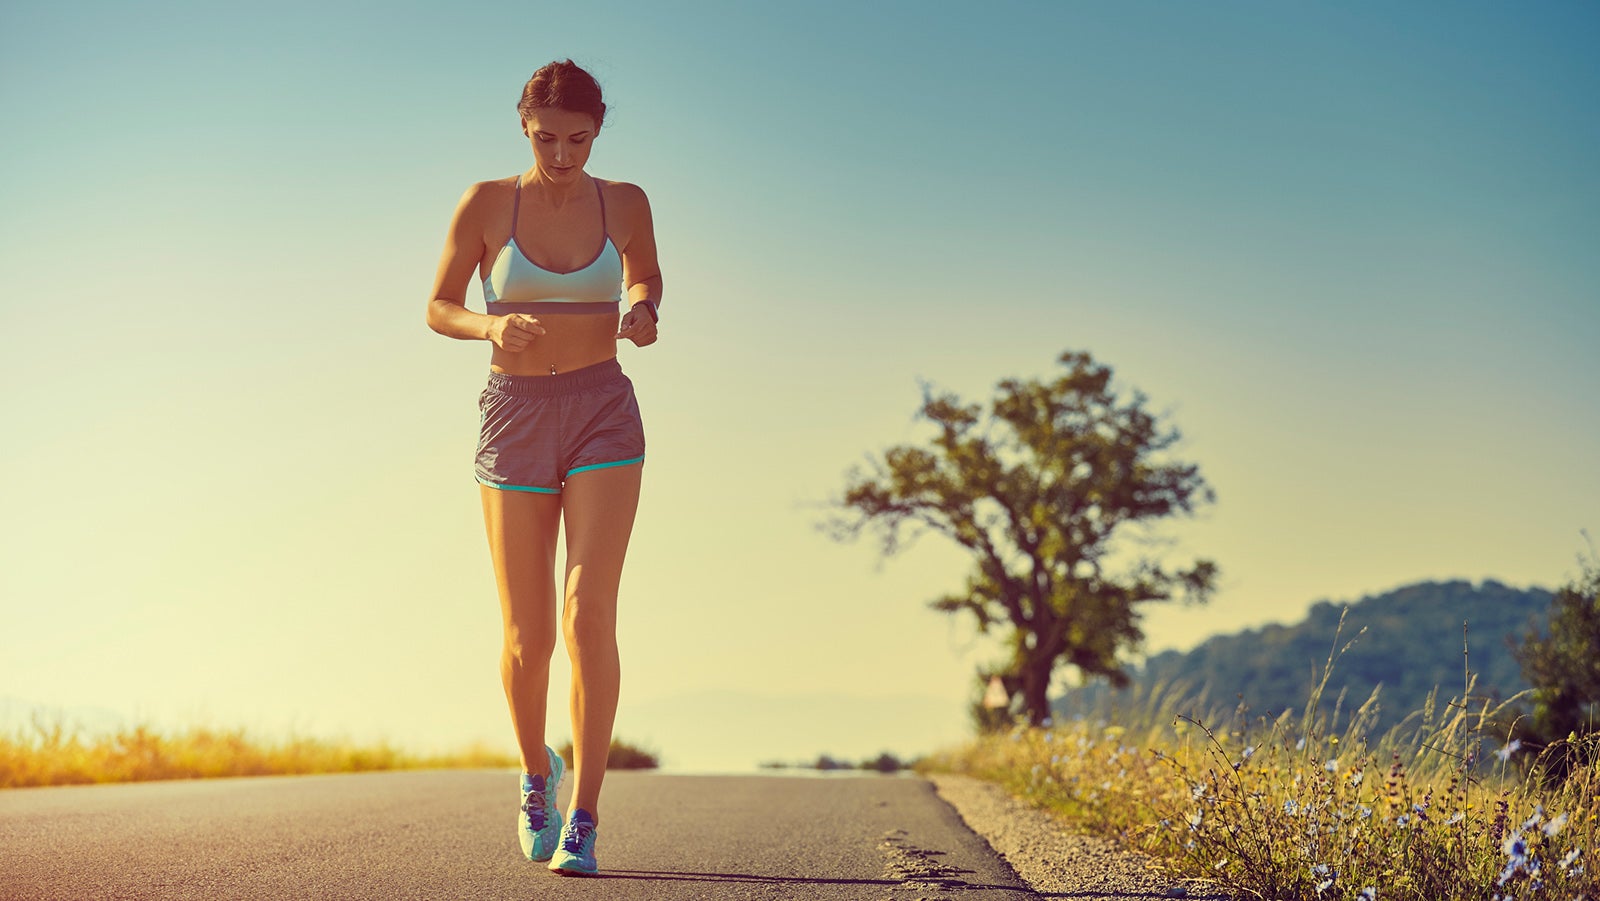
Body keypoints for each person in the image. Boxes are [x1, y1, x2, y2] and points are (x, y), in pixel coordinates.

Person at [425, 59, 660, 877]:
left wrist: (641, 307)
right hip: (515, 417)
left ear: (598, 132)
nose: (563, 154)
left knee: (587, 613)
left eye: (580, 139)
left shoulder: (625, 202)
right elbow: (439, 304)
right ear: (524, 127)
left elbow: (645, 271)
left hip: (603, 411)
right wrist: (488, 330)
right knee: (527, 638)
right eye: (548, 138)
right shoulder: (488, 203)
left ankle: (586, 816)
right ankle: (536, 775)